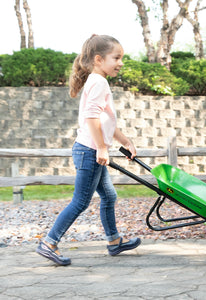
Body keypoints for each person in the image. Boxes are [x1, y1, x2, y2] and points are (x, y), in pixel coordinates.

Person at [36, 34, 141, 266]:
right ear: (98, 59)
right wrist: (102, 148)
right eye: (117, 57)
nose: (121, 62)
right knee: (81, 201)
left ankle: (114, 242)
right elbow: (91, 117)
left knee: (109, 196)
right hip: (89, 151)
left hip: (90, 150)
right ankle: (49, 243)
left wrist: (125, 140)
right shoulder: (98, 82)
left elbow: (104, 119)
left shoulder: (97, 81)